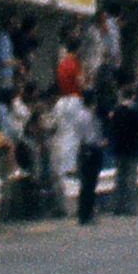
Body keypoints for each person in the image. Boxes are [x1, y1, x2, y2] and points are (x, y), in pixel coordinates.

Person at [56, 83, 101, 225]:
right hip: (90, 149)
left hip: (83, 149)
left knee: (86, 184)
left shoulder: (80, 115)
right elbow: (90, 136)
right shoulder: (87, 116)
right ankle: (87, 213)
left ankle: (84, 213)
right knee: (90, 184)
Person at [104, 78, 138, 215]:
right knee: (131, 179)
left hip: (119, 149)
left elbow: (112, 130)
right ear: (132, 96)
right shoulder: (134, 112)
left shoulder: (116, 112)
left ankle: (117, 206)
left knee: (120, 178)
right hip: (133, 149)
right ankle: (129, 207)